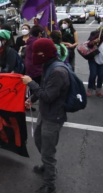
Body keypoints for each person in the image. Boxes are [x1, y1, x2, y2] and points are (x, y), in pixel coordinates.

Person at [21, 38, 70, 193]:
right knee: (39, 140)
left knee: (48, 151)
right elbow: (44, 87)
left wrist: (30, 83)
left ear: (47, 52)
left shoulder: (58, 71)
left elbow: (48, 96)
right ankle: (46, 166)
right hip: (45, 111)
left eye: (38, 52)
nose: (35, 55)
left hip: (54, 115)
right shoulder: (48, 65)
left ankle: (50, 184)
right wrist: (32, 99)